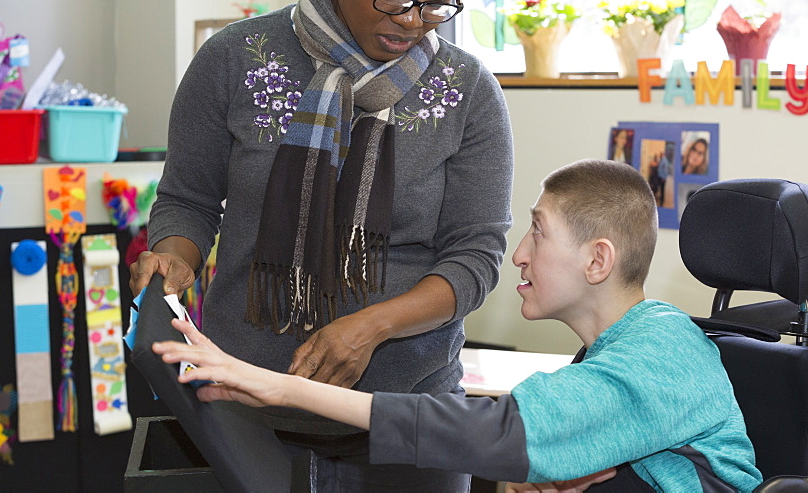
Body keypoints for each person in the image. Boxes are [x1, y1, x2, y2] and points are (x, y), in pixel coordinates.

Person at [132, 0, 513, 491]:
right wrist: (175, 257)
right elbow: (189, 200)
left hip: (409, 423)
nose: (415, 18)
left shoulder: (468, 91)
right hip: (243, 409)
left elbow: (474, 261)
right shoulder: (234, 59)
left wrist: (369, 326)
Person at [154, 159, 764, 492]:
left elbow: (494, 431)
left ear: (597, 260)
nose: (519, 254)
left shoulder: (661, 351)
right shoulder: (620, 351)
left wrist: (281, 386)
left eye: (537, 231)